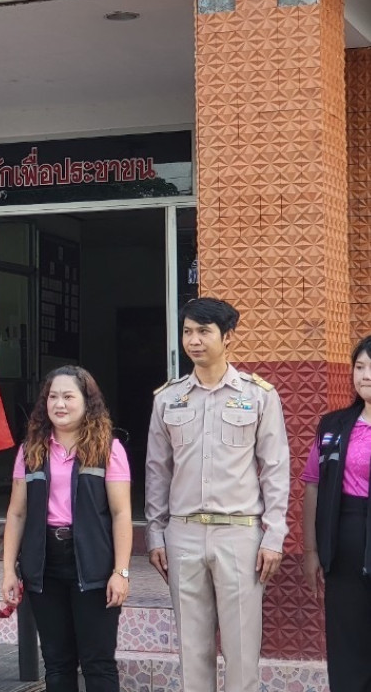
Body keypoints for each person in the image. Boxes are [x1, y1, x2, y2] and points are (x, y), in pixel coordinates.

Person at [145, 297, 289, 692]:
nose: (194, 340)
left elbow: (275, 469)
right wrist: (155, 532)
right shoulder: (168, 398)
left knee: (242, 651)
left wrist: (274, 535)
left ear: (227, 337)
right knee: (192, 651)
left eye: (203, 332)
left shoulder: (259, 396)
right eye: (187, 332)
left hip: (239, 534)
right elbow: (157, 471)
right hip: (183, 534)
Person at [1, 366, 132, 692]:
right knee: (57, 664)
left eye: (68, 397)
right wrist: (8, 570)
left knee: (98, 663)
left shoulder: (108, 449)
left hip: (93, 565)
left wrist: (121, 572)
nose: (60, 404)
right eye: (53, 397)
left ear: (87, 402)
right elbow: (17, 513)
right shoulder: (31, 449)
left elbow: (121, 514)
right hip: (45, 565)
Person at [301, 334, 371, 692]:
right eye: (360, 367)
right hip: (344, 539)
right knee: (346, 637)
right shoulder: (333, 426)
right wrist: (311, 550)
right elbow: (313, 484)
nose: (366, 375)